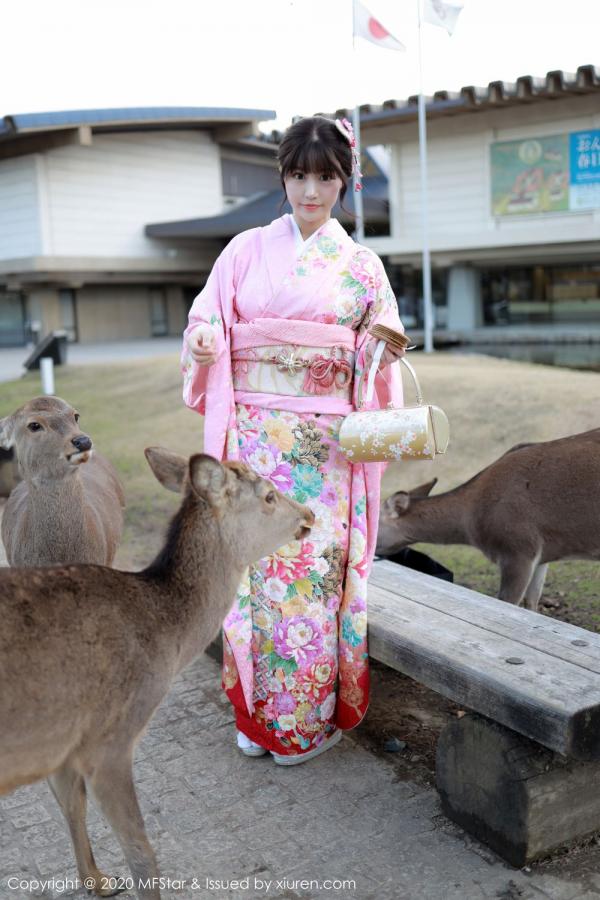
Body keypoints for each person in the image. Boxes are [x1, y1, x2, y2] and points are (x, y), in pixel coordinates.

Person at [181, 115, 405, 765]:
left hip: (323, 450)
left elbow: (381, 343)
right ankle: (255, 716)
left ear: (346, 182)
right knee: (250, 569)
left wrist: (378, 348)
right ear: (283, 177)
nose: (311, 190)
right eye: (299, 175)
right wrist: (203, 341)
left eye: (326, 177)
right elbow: (208, 317)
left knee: (308, 573)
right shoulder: (245, 251)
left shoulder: (362, 266)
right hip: (253, 441)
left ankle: (301, 723)